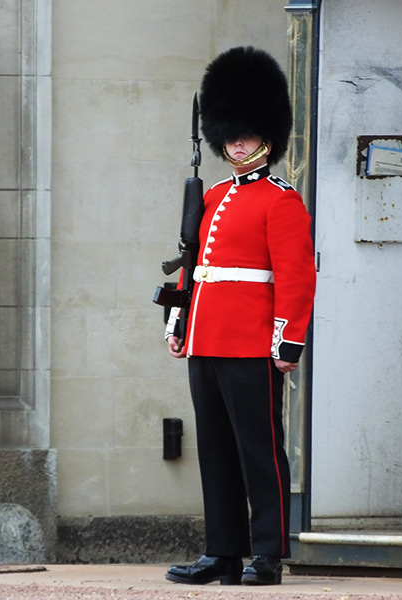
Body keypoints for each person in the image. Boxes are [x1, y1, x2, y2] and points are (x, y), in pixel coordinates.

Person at [163, 46, 316, 586]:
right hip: (206, 338)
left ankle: (269, 554)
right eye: (229, 136)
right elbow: (193, 265)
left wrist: (287, 340)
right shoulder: (213, 198)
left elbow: (296, 279)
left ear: (266, 140)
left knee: (260, 451)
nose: (235, 144)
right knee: (217, 451)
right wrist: (178, 321)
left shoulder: (282, 201)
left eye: (245, 136)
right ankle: (222, 552)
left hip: (252, 343)